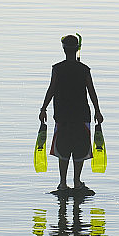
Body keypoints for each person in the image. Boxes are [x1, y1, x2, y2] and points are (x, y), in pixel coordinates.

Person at [39, 35, 103, 192]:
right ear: (77, 49)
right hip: (81, 115)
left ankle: (62, 183)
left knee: (63, 150)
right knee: (80, 149)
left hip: (62, 116)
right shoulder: (84, 70)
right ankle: (77, 182)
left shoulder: (57, 69)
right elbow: (92, 91)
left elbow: (51, 90)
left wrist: (43, 109)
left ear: (63, 49)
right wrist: (98, 111)